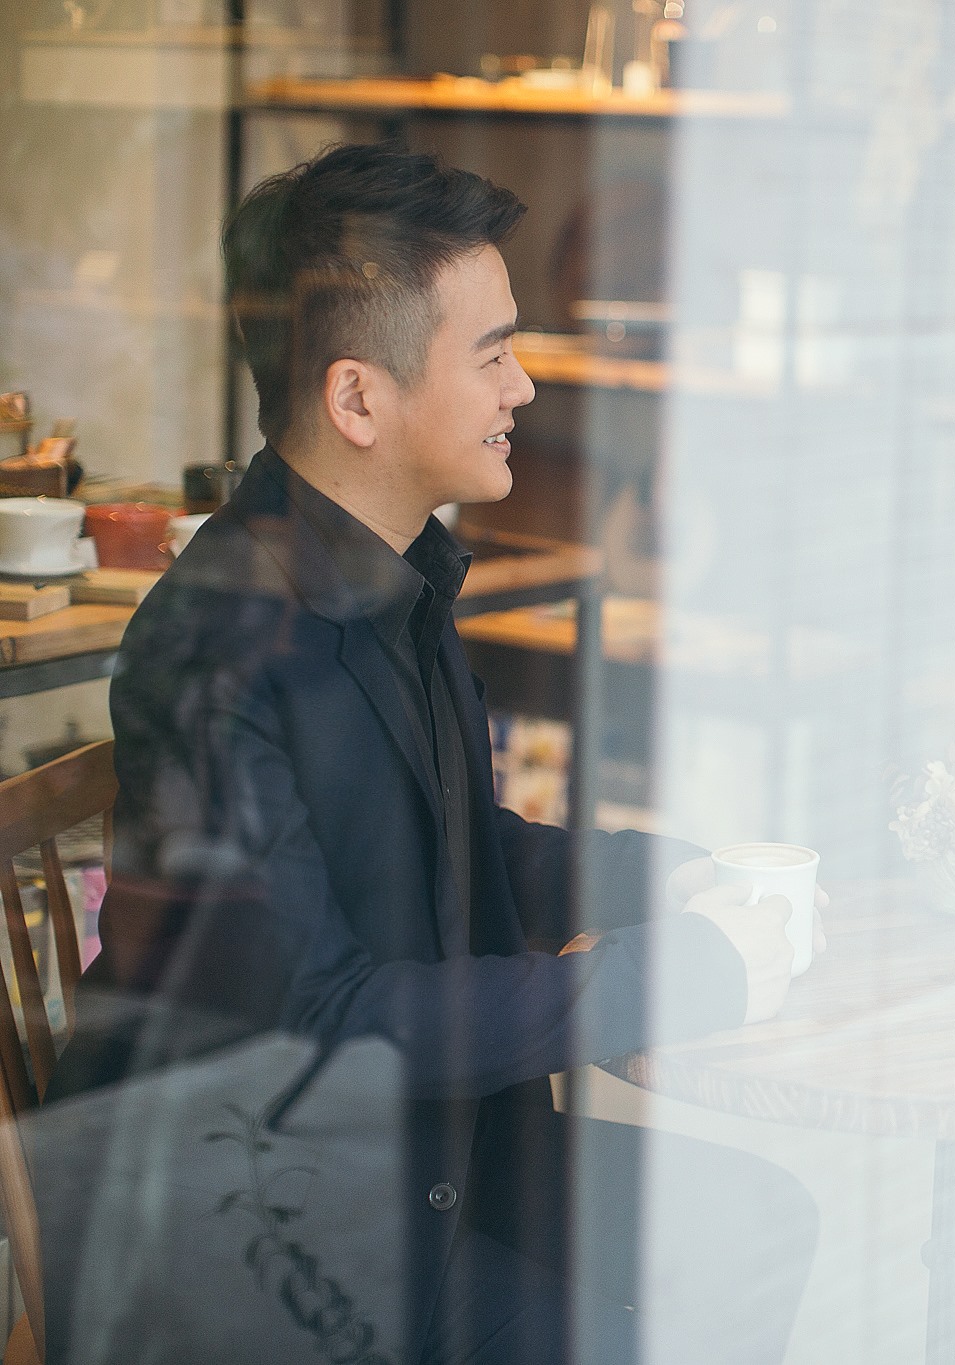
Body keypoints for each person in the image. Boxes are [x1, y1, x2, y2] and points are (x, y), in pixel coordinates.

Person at [30, 143, 816, 1365]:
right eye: (492, 353)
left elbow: (463, 842)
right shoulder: (212, 647)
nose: (526, 390)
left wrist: (667, 879)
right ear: (358, 399)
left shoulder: (391, 577)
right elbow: (320, 1018)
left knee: (758, 1220)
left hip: (420, 1148)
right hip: (252, 1228)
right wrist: (667, 979)